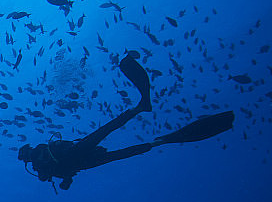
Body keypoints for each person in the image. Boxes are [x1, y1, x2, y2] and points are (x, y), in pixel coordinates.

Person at [18, 53, 235, 191]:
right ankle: (150, 127)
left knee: (113, 140)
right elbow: (61, 176)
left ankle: (146, 119)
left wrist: (62, 178)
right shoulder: (39, 162)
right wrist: (64, 180)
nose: (28, 154)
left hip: (81, 158)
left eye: (26, 152)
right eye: (26, 153)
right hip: (82, 158)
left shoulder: (39, 158)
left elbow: (59, 172)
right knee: (111, 135)